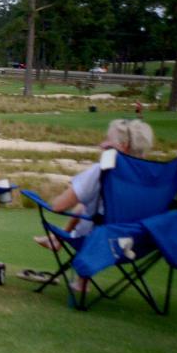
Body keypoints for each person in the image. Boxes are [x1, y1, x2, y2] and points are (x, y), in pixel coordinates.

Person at [30, 119, 154, 292]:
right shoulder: (153, 178)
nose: (102, 144)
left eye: (108, 141)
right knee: (91, 208)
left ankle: (63, 247)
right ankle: (60, 245)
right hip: (139, 242)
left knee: (88, 209)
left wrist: (79, 185)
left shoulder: (102, 171)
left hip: (101, 240)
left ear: (123, 146)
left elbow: (58, 206)